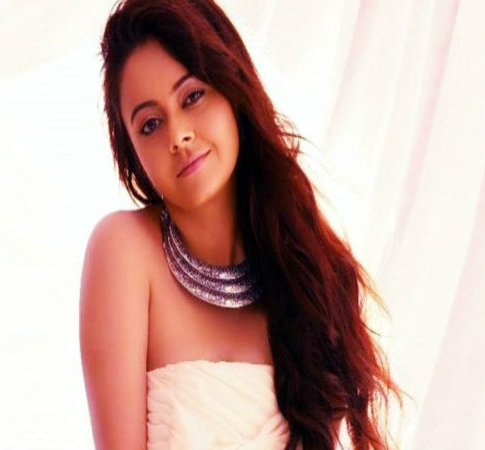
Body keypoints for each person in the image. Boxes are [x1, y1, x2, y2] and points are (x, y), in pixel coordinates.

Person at [79, 0, 403, 449]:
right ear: (132, 155)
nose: (178, 135)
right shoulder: (124, 251)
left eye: (192, 96)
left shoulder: (312, 279)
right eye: (150, 124)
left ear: (232, 86)